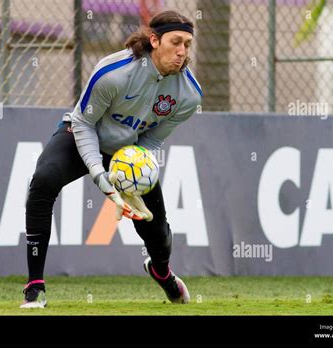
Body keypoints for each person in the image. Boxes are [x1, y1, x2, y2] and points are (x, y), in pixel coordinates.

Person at [21, 9, 202, 308]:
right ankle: (34, 286)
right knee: (43, 182)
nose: (182, 52)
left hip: (126, 153)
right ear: (154, 40)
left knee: (156, 228)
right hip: (81, 135)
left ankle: (160, 271)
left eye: (187, 44)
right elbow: (83, 123)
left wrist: (130, 175)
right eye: (175, 42)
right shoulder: (113, 73)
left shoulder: (189, 95)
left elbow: (153, 139)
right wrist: (101, 177)